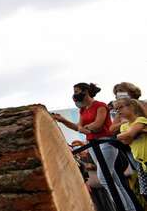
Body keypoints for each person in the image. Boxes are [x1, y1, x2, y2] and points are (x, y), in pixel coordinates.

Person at [53, 83, 138, 211]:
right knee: (114, 179)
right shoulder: (83, 109)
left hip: (105, 143)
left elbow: (97, 125)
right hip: (92, 145)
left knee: (104, 178)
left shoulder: (100, 106)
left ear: (86, 91)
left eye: (77, 91)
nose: (75, 94)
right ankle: (129, 208)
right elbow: (78, 127)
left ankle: (123, 208)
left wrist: (85, 128)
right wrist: (63, 120)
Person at [114, 98, 147, 206]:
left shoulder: (141, 120)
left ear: (131, 107)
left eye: (121, 107)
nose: (118, 111)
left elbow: (129, 135)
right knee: (145, 193)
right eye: (116, 109)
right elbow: (127, 141)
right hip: (141, 163)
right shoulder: (123, 126)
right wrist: (130, 134)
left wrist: (120, 135)